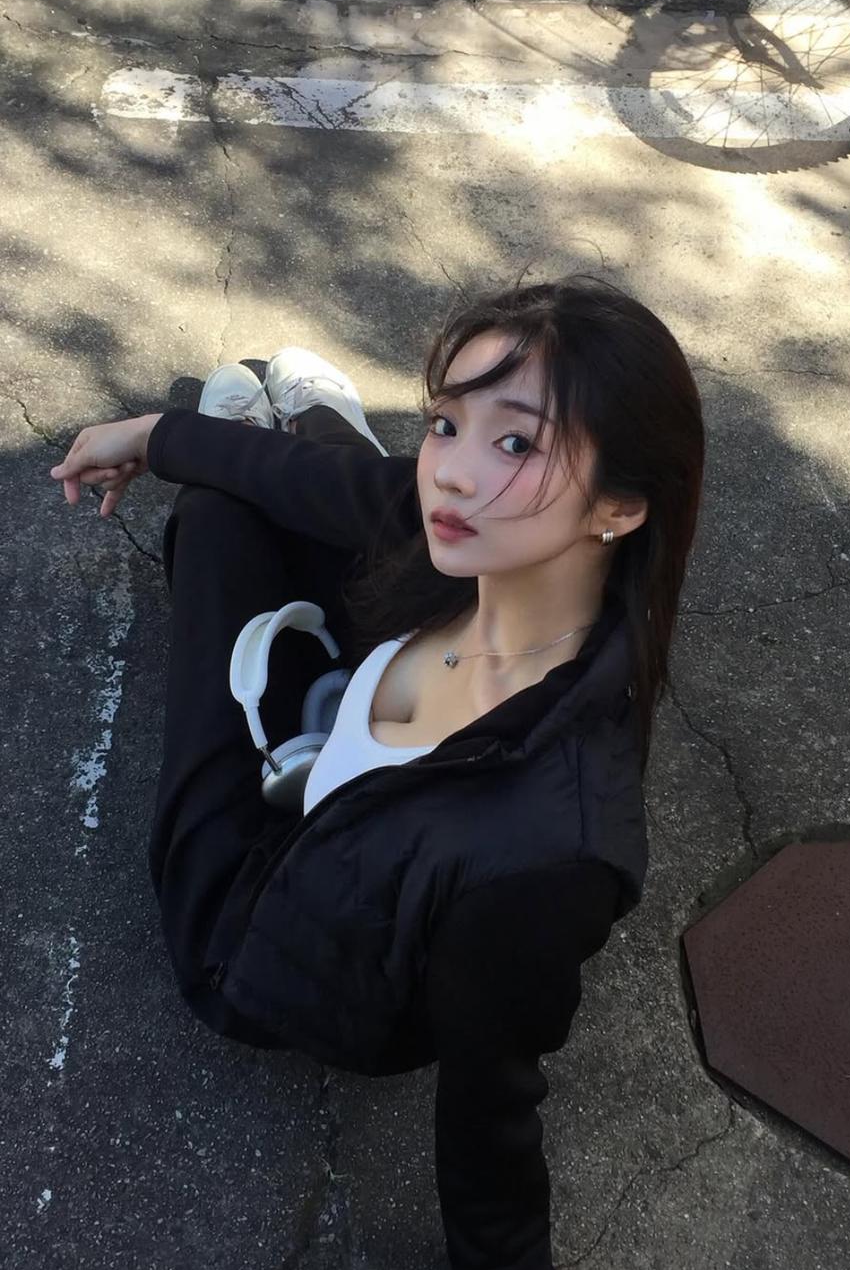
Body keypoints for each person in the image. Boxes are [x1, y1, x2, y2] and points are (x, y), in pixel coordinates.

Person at [50, 272, 705, 1269]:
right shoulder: (485, 549)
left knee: (220, 517)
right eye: (445, 422)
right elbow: (386, 496)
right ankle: (310, 428)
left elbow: (495, 1118)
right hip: (370, 745)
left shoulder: (545, 852)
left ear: (620, 505)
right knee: (328, 489)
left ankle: (299, 432)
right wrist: (155, 434)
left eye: (516, 443)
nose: (453, 472)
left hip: (262, 922)